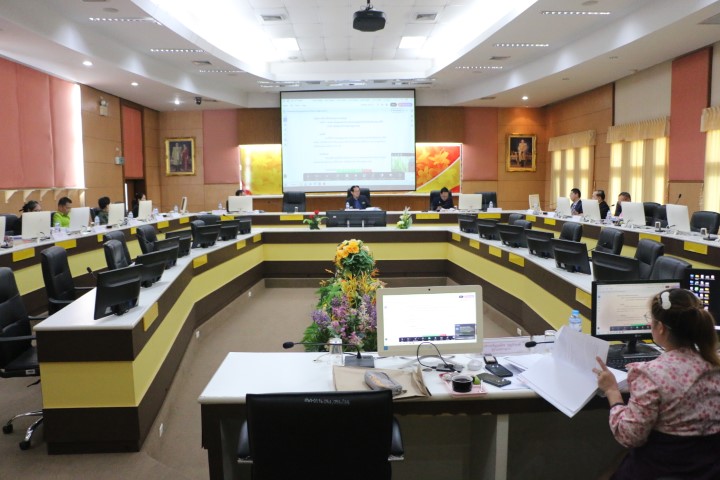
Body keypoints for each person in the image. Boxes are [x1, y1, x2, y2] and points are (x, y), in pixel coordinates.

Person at [593, 288, 720, 479]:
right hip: (707, 471)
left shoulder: (650, 374)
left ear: (660, 328)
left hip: (661, 470)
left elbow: (629, 436)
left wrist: (612, 390)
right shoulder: (714, 365)